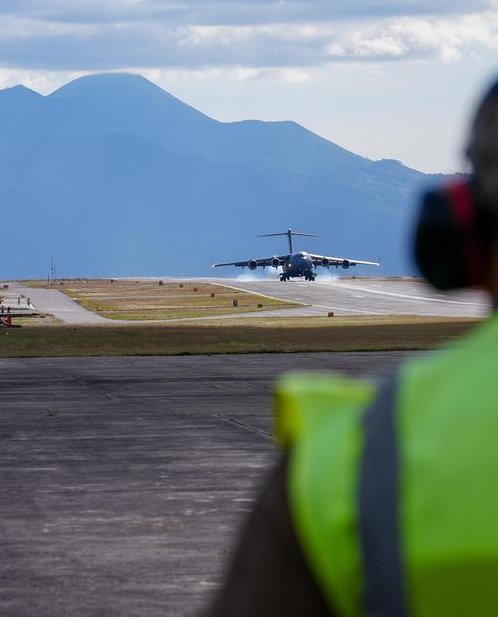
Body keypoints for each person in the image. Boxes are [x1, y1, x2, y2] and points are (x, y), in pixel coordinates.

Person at [204, 76, 498, 616]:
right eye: (297, 260)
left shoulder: (355, 453)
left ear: (463, 231)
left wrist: (325, 263)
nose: (298, 261)